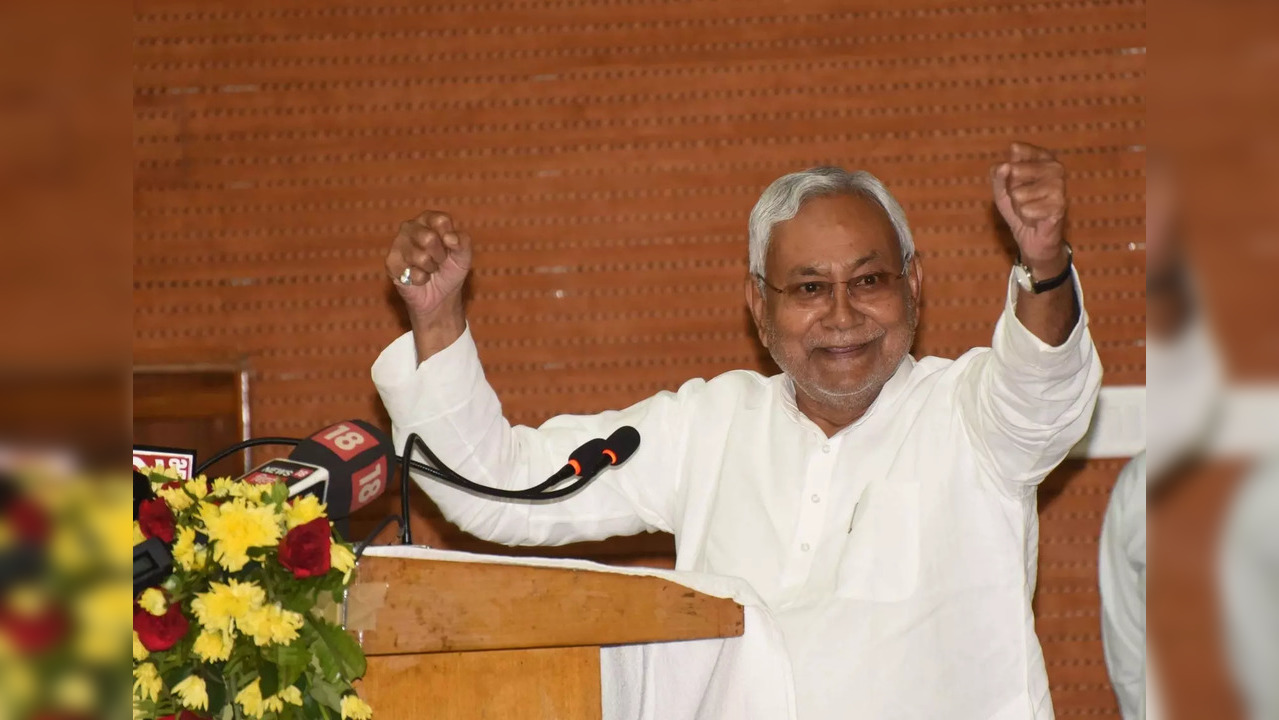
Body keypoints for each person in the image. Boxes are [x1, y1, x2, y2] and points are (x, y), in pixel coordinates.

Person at [372, 142, 1102, 719]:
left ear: (912, 285)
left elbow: (1040, 390)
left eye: (868, 281)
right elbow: (503, 491)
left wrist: (1042, 267)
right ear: (759, 306)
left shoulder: (967, 413)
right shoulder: (709, 427)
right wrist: (437, 319)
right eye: (810, 288)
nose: (842, 315)